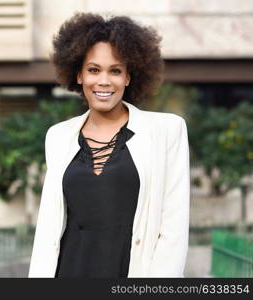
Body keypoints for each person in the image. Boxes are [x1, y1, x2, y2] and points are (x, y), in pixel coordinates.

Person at [28, 12, 190, 278]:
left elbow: (173, 228)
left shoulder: (167, 131)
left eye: (115, 71)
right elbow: (48, 228)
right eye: (93, 70)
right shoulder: (58, 136)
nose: (104, 81)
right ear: (78, 75)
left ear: (128, 77)